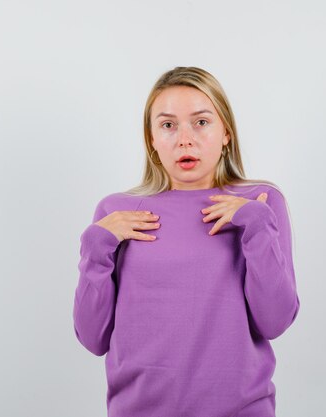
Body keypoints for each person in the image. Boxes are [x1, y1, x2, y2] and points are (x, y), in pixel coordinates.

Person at [72, 66, 300, 417]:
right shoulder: (116, 212)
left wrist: (256, 225)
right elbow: (93, 339)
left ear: (226, 132)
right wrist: (95, 246)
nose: (184, 139)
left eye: (201, 122)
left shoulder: (260, 202)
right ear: (151, 139)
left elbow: (275, 321)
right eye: (167, 125)